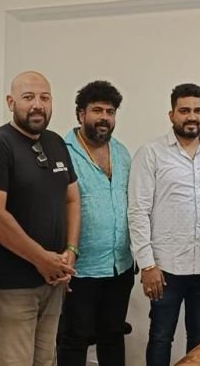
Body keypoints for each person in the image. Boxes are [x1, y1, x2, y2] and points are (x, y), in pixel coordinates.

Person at [0, 71, 80, 366]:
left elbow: (72, 198)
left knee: (46, 361)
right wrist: (42, 259)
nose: (37, 105)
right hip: (9, 287)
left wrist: (70, 251)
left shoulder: (56, 143)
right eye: (28, 97)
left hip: (53, 281)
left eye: (45, 97)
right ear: (11, 102)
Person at [128, 83, 200, 366]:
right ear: (171, 114)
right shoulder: (151, 153)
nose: (191, 116)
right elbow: (137, 211)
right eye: (184, 110)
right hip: (165, 269)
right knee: (161, 337)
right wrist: (147, 265)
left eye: (198, 110)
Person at [57, 80, 134, 366]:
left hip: (120, 265)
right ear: (81, 114)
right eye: (97, 110)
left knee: (113, 335)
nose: (104, 117)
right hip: (80, 268)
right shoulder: (61, 151)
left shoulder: (122, 153)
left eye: (110, 112)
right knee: (74, 338)